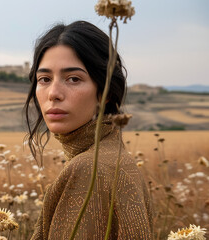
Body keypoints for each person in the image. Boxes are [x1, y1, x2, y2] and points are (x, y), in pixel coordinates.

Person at [24, 21, 153, 239]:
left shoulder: (89, 170)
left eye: (73, 79)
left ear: (106, 92)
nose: (53, 93)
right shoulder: (116, 158)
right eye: (44, 79)